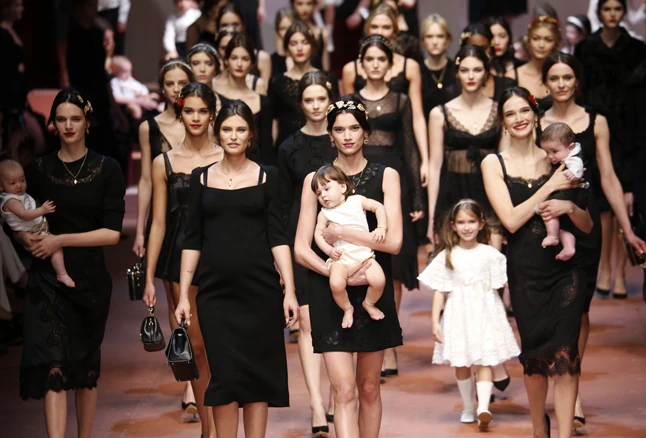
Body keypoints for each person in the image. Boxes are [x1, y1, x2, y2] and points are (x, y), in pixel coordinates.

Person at [175, 100, 299, 438]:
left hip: (260, 292)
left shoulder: (268, 176)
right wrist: (184, 295)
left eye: (240, 129)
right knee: (224, 377)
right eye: (227, 129)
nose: (233, 136)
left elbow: (278, 237)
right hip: (215, 294)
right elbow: (192, 240)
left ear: (251, 135)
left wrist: (289, 290)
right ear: (217, 133)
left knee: (257, 378)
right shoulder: (201, 178)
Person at [538, 50, 646, 427]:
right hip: (546, 221)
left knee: (579, 308)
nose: (561, 84)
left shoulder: (595, 121)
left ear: (577, 81)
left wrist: (628, 229)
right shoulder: (535, 120)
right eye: (555, 78)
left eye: (567, 77)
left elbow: (609, 178)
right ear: (546, 82)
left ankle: (572, 384)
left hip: (585, 224)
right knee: (549, 307)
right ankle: (559, 378)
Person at [482, 87, 593, 438]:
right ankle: (538, 429)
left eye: (524, 111)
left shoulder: (559, 156)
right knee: (534, 358)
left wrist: (570, 206)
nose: (519, 118)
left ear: (535, 114)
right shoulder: (494, 164)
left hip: (565, 268)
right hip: (525, 269)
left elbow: (587, 224)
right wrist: (551, 186)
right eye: (510, 113)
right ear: (502, 121)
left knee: (566, 355)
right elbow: (511, 220)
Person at [17, 88, 125, 437]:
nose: (68, 125)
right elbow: (16, 217)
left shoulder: (107, 168)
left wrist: (59, 240)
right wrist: (29, 240)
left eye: (75, 119)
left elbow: (112, 233)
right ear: (52, 123)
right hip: (48, 277)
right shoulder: (39, 169)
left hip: (89, 278)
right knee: (53, 366)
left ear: (87, 122)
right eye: (61, 119)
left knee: (85, 369)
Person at [294, 98, 403, 438]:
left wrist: (344, 233)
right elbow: (301, 247)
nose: (347, 135)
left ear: (366, 132)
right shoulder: (316, 181)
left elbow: (393, 243)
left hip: (373, 285)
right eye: (339, 129)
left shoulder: (386, 176)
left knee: (369, 388)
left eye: (354, 128)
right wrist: (336, 274)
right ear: (330, 135)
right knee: (343, 391)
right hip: (331, 289)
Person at [143, 82, 222, 438]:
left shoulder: (226, 155)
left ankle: (222, 427)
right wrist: (149, 278)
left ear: (212, 114)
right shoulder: (164, 161)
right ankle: (209, 430)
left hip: (221, 254)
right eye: (188, 110)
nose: (195, 117)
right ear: (179, 112)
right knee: (198, 347)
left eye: (202, 111)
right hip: (179, 256)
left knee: (222, 347)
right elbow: (158, 223)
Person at [352, 34, 423, 376]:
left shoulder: (400, 99)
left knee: (392, 267)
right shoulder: (351, 101)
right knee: (361, 261)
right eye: (370, 59)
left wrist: (417, 196)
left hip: (393, 180)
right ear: (361, 64)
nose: (376, 64)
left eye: (382, 59)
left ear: (391, 64)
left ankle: (390, 343)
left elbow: (409, 146)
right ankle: (366, 337)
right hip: (359, 181)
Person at [419, 199, 520, 431]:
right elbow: (440, 291)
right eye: (462, 222)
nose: (467, 227)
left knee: (484, 359)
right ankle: (467, 407)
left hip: (486, 314)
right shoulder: (447, 255)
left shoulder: (490, 255)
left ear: (481, 224)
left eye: (472, 222)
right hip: (458, 315)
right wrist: (434, 322)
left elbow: (501, 285)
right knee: (462, 362)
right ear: (453, 226)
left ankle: (483, 407)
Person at [133, 59, 197, 417]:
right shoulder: (151, 127)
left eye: (181, 82)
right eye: (170, 83)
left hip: (198, 220)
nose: (176, 89)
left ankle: (200, 368)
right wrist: (140, 230)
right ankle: (189, 379)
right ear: (162, 87)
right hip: (168, 220)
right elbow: (145, 179)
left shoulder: (204, 121)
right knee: (176, 305)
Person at [276, 71, 338, 434]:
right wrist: (282, 254)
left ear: (330, 101)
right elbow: (283, 204)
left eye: (321, 99)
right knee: (308, 322)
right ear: (300, 104)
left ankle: (333, 396)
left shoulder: (342, 140)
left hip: (340, 240)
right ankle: (316, 403)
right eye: (309, 100)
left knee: (338, 320)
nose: (315, 106)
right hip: (300, 239)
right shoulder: (288, 148)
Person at [575, 0, 646, 298]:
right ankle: (603, 269)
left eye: (618, 8)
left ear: (624, 12)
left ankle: (619, 272)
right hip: (595, 130)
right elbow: (580, 92)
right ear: (599, 12)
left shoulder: (637, 49)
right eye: (607, 8)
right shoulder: (585, 49)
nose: (613, 14)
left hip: (629, 135)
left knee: (624, 207)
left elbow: (641, 98)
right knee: (601, 206)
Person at [342, 4, 428, 185]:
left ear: (395, 32)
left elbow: (417, 116)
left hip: (399, 144)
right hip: (363, 149)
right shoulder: (351, 69)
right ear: (367, 30)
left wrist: (425, 159)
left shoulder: (409, 66)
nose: (380, 32)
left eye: (386, 27)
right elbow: (348, 118)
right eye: (375, 26)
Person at [312, 164, 388, 327]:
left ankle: (369, 303)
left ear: (342, 186)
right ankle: (347, 309)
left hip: (364, 255)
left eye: (326, 189)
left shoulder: (356, 201)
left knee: (379, 280)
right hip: (340, 258)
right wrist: (329, 250)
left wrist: (381, 227)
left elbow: (378, 207)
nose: (323, 195)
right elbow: (317, 234)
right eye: (318, 193)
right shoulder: (324, 213)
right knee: (336, 284)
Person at [0, 160, 74, 288]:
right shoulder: (10, 200)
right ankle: (61, 274)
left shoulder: (18, 195)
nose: (19, 185)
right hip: (31, 233)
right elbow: (23, 214)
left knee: (55, 247)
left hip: (37, 229)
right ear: (1, 186)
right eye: (13, 183)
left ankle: (60, 273)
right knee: (55, 249)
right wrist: (42, 210)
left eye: (22, 180)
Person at [269, 20, 338, 148]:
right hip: (287, 146)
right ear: (287, 48)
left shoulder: (328, 78)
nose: (299, 48)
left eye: (305, 42)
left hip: (325, 144)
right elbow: (273, 121)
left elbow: (336, 116)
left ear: (313, 46)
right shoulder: (277, 81)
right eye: (293, 43)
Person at [539, 124, 587, 260]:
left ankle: (552, 236)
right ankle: (569, 247)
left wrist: (573, 174)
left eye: (554, 151)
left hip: (569, 194)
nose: (550, 156)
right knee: (564, 227)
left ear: (570, 147)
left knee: (549, 209)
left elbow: (578, 168)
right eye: (547, 152)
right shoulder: (565, 156)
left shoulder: (573, 158)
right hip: (569, 196)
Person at [455, 23, 517, 101]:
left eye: (484, 48)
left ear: (491, 47)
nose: (479, 54)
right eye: (473, 48)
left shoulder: (507, 85)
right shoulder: (453, 91)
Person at [216, 2, 271, 85]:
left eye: (235, 25)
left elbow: (265, 90)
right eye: (224, 25)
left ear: (243, 26)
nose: (230, 29)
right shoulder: (212, 60)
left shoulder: (261, 58)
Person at [516, 15, 561, 110]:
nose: (541, 45)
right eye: (536, 38)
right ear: (528, 40)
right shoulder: (513, 76)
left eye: (548, 40)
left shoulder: (563, 74)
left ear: (555, 43)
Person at [420, 13, 456, 123]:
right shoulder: (417, 71)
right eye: (429, 36)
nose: (434, 42)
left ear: (447, 39)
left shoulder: (457, 70)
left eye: (440, 36)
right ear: (423, 40)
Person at [213, 27, 266, 95]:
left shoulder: (257, 84)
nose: (239, 64)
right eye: (234, 58)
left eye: (245, 59)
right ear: (226, 60)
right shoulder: (214, 84)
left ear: (252, 63)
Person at [109, 55, 158, 120]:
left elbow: (141, 88)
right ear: (114, 71)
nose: (128, 74)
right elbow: (117, 98)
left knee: (155, 96)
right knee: (135, 109)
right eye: (124, 72)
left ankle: (153, 114)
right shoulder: (115, 82)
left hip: (139, 98)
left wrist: (143, 95)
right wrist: (137, 100)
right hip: (127, 103)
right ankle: (137, 122)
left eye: (129, 71)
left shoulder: (130, 80)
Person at [291, 0, 330, 70]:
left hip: (318, 75)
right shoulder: (287, 31)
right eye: (300, 4)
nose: (304, 8)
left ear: (314, 5)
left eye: (309, 4)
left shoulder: (322, 33)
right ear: (293, 5)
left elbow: (325, 65)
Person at [270, 7, 297, 77]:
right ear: (277, 31)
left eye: (290, 28)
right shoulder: (272, 61)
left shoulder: (306, 57)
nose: (287, 32)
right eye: (282, 28)